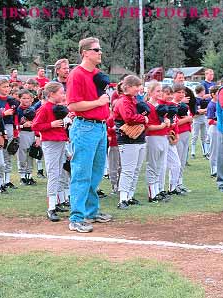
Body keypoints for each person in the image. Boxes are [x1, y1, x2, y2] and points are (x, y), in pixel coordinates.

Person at [66, 37, 112, 233]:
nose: (100, 52)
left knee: (96, 172)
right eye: (96, 49)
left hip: (100, 127)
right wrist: (99, 103)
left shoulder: (97, 74)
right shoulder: (77, 74)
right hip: (85, 127)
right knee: (81, 172)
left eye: (100, 49)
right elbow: (73, 105)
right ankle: (76, 218)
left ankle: (91, 212)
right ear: (85, 52)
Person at [32, 82, 70, 221]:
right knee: (53, 173)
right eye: (60, 92)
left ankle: (57, 202)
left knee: (60, 172)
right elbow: (35, 125)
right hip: (51, 143)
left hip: (60, 142)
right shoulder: (45, 108)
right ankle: (51, 208)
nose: (63, 95)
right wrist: (50, 125)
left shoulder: (57, 107)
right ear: (51, 94)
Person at [113, 75, 147, 209]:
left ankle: (130, 196)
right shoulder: (123, 101)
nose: (139, 88)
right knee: (128, 170)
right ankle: (122, 199)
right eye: (136, 86)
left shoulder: (133, 100)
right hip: (127, 139)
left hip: (139, 138)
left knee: (136, 169)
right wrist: (143, 119)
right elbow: (129, 118)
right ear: (128, 87)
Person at [207, 86, 219, 177]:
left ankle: (218, 168)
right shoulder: (211, 105)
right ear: (213, 94)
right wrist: (220, 123)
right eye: (218, 93)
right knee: (214, 150)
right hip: (214, 129)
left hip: (220, 129)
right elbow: (210, 121)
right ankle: (213, 169)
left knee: (220, 149)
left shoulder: (220, 103)